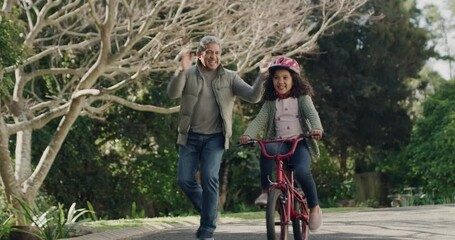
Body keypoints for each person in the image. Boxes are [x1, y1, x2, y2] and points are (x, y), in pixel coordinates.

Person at [167, 35, 270, 240]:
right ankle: (210, 210)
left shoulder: (230, 77)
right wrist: (180, 71)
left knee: (209, 177)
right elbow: (173, 93)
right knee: (184, 180)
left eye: (217, 53)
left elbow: (252, 96)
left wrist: (261, 77)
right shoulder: (188, 74)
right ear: (200, 54)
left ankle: (207, 229)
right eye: (209, 52)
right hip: (189, 136)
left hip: (215, 138)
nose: (214, 57)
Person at [239, 56, 324, 232]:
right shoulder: (271, 103)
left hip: (299, 143)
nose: (281, 82)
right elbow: (258, 121)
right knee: (265, 148)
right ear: (272, 81)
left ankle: (314, 207)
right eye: (276, 78)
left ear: (294, 79)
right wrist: (248, 135)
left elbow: (313, 115)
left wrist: (316, 129)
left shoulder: (302, 98)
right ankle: (265, 191)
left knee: (301, 172)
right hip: (279, 143)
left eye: (285, 77)